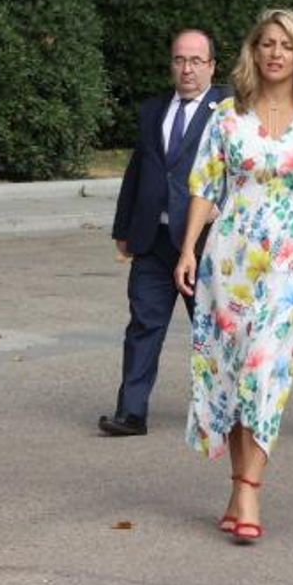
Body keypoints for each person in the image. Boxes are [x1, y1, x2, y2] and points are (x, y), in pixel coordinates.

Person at [176, 9, 293, 543]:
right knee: (232, 372)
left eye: (285, 45)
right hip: (231, 257)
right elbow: (205, 184)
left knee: (266, 368)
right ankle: (239, 482)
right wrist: (186, 250)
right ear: (254, 51)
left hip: (291, 258)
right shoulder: (227, 114)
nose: (275, 53)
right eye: (266, 43)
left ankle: (250, 489)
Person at [101, 29, 226, 436]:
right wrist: (124, 226)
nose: (186, 69)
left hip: (205, 243)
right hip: (153, 240)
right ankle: (131, 412)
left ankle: (219, 412)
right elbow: (138, 170)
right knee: (143, 323)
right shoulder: (153, 110)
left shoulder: (228, 111)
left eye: (195, 61)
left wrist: (224, 211)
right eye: (179, 60)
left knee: (209, 329)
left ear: (211, 66)